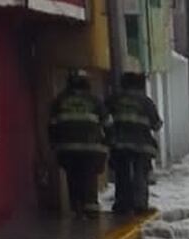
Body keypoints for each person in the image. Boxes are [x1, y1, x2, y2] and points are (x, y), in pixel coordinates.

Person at [48, 70, 109, 218]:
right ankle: (91, 209)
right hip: (91, 148)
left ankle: (77, 208)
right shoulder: (94, 100)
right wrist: (107, 142)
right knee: (89, 177)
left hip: (67, 148)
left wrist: (54, 144)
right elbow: (107, 122)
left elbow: (52, 125)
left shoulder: (59, 100)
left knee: (73, 177)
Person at [106, 72, 162, 215]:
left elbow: (104, 118)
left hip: (120, 145)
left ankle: (123, 204)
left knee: (122, 174)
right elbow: (156, 125)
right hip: (142, 146)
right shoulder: (146, 102)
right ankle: (140, 204)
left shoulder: (114, 99)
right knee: (140, 175)